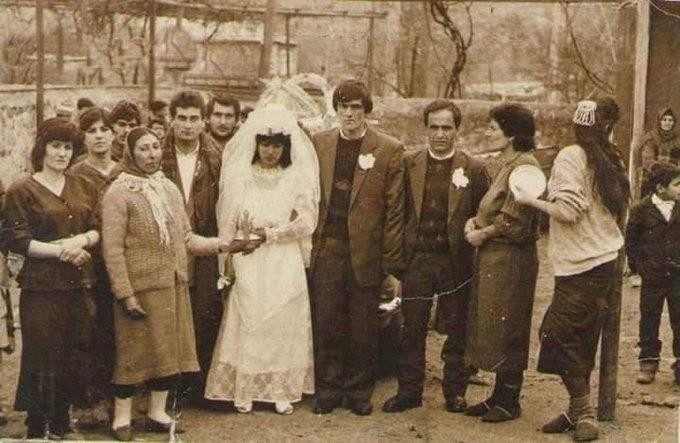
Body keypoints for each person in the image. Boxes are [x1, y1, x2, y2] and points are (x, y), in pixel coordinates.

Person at [101, 127, 256, 441]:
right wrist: (125, 294)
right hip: (139, 290)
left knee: (167, 354)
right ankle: (122, 417)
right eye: (143, 149)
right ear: (130, 153)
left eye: (155, 147)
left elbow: (187, 239)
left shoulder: (168, 189)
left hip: (172, 287)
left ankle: (157, 412)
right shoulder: (119, 192)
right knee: (132, 355)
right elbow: (112, 250)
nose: (151, 155)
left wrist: (228, 245)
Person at [514, 97, 629, 441]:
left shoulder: (570, 156)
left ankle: (583, 411)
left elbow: (567, 212)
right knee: (579, 338)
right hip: (601, 260)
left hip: (582, 263)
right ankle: (576, 411)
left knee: (555, 334)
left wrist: (529, 200)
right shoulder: (611, 156)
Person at [205, 105, 318, 415]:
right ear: (255, 144)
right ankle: (245, 388)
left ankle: (279, 389)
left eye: (277, 145)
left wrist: (274, 233)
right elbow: (229, 220)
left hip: (282, 256)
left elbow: (307, 221)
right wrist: (230, 254)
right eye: (265, 144)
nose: (271, 151)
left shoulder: (294, 176)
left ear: (286, 147)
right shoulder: (242, 174)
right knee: (250, 317)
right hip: (249, 255)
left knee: (281, 319)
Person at [382, 100, 489, 414]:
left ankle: (455, 391)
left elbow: (482, 214)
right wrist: (396, 258)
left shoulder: (474, 168)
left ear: (457, 130)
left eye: (447, 127)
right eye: (434, 127)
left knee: (457, 327)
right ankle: (409, 392)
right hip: (418, 259)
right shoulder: (409, 163)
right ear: (425, 129)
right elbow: (396, 212)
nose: (440, 134)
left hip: (455, 261)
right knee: (412, 327)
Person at [310, 79, 405, 416]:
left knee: (363, 325)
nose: (349, 114)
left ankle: (358, 392)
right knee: (327, 321)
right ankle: (328, 389)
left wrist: (390, 262)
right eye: (343, 107)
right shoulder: (319, 143)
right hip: (328, 247)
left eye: (356, 108)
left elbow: (395, 209)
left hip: (367, 251)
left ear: (366, 111)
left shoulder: (388, 149)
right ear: (335, 109)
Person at [3, 118, 101, 439]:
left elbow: (96, 227)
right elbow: (17, 239)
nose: (62, 153)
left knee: (73, 351)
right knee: (42, 354)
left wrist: (80, 242)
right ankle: (36, 425)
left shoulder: (82, 185)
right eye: (55, 146)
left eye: (67, 147)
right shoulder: (22, 190)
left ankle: (61, 423)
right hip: (42, 287)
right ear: (42, 149)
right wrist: (61, 251)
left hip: (78, 284)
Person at [462, 103, 541, 423]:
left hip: (512, 259)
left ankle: (509, 399)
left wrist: (482, 233)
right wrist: (474, 221)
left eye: (493, 128)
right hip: (495, 257)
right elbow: (492, 208)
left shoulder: (526, 167)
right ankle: (498, 395)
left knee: (509, 326)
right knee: (494, 325)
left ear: (511, 134)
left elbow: (516, 220)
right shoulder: (509, 164)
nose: (487, 133)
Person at [161, 90, 223, 403]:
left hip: (204, 245)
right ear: (171, 120)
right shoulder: (157, 156)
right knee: (168, 315)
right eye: (181, 118)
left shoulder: (215, 158)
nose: (187, 125)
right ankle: (167, 386)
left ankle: (196, 386)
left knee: (203, 312)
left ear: (203, 122)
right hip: (166, 246)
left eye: (194, 119)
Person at [67, 107, 120, 429]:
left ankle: (116, 399)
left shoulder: (124, 170)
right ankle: (87, 400)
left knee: (117, 329)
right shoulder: (75, 173)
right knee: (87, 330)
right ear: (83, 137)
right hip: (87, 262)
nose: (99, 136)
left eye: (104, 129)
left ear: (114, 134)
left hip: (120, 262)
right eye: (91, 130)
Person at [625, 161, 680, 384]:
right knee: (649, 319)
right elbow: (632, 242)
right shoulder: (641, 210)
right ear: (660, 188)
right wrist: (637, 268)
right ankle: (648, 361)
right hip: (653, 277)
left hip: (677, 276)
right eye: (677, 184)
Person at [634, 107, 680, 199]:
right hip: (655, 175)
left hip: (674, 175)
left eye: (670, 120)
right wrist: (657, 168)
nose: (667, 123)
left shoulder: (677, 140)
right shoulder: (651, 138)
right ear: (659, 121)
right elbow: (647, 159)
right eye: (664, 120)